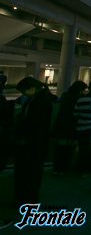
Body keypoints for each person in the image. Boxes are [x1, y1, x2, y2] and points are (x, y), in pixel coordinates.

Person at [12, 77, 54, 206]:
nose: (23, 94)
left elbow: (36, 124)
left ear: (32, 88)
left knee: (30, 173)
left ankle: (28, 199)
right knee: (31, 172)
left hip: (33, 143)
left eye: (24, 91)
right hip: (35, 143)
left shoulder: (40, 100)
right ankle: (27, 198)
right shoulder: (37, 99)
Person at [51, 80, 87, 175]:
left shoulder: (65, 95)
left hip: (60, 124)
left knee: (58, 149)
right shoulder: (79, 98)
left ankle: (56, 168)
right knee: (68, 149)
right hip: (71, 126)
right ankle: (64, 168)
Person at [74, 80, 91, 175]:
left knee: (83, 150)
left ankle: (82, 169)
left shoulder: (80, 100)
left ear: (88, 89)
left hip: (81, 128)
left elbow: (75, 114)